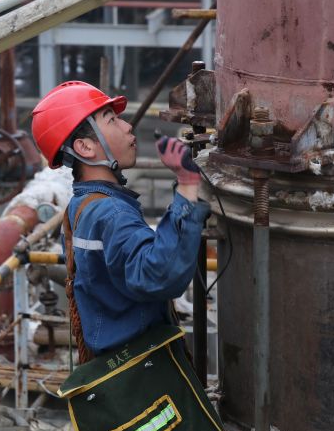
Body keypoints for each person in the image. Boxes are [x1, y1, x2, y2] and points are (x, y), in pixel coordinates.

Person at [31, 80, 210, 356]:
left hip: (113, 361)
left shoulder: (80, 206)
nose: (127, 127)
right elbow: (160, 276)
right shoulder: (112, 212)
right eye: (112, 120)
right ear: (85, 147)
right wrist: (187, 186)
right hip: (142, 366)